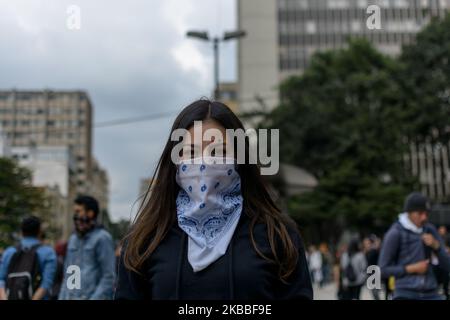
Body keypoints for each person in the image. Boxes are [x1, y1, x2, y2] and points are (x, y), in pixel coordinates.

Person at [115, 99, 313, 300]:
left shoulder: (277, 235)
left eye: (218, 152)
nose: (205, 163)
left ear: (239, 159)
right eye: (191, 152)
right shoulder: (144, 241)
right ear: (174, 162)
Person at [378, 192, 450, 300]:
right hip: (405, 293)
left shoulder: (430, 230)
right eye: (420, 213)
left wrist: (437, 247)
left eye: (426, 214)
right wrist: (410, 269)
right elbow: (382, 270)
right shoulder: (395, 233)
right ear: (409, 213)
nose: (424, 218)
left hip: (431, 292)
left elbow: (447, 265)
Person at [58, 195, 115, 300]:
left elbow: (108, 277)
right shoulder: (73, 239)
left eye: (78, 211)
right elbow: (68, 276)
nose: (75, 216)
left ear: (90, 213)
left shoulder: (102, 238)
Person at [0, 216, 57, 300]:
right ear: (39, 232)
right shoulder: (48, 253)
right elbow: (46, 284)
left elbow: (1, 280)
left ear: (21, 232)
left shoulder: (9, 252)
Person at [363, 235, 381, 300]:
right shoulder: (368, 251)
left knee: (375, 291)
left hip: (375, 272)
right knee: (374, 291)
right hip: (370, 273)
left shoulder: (374, 251)